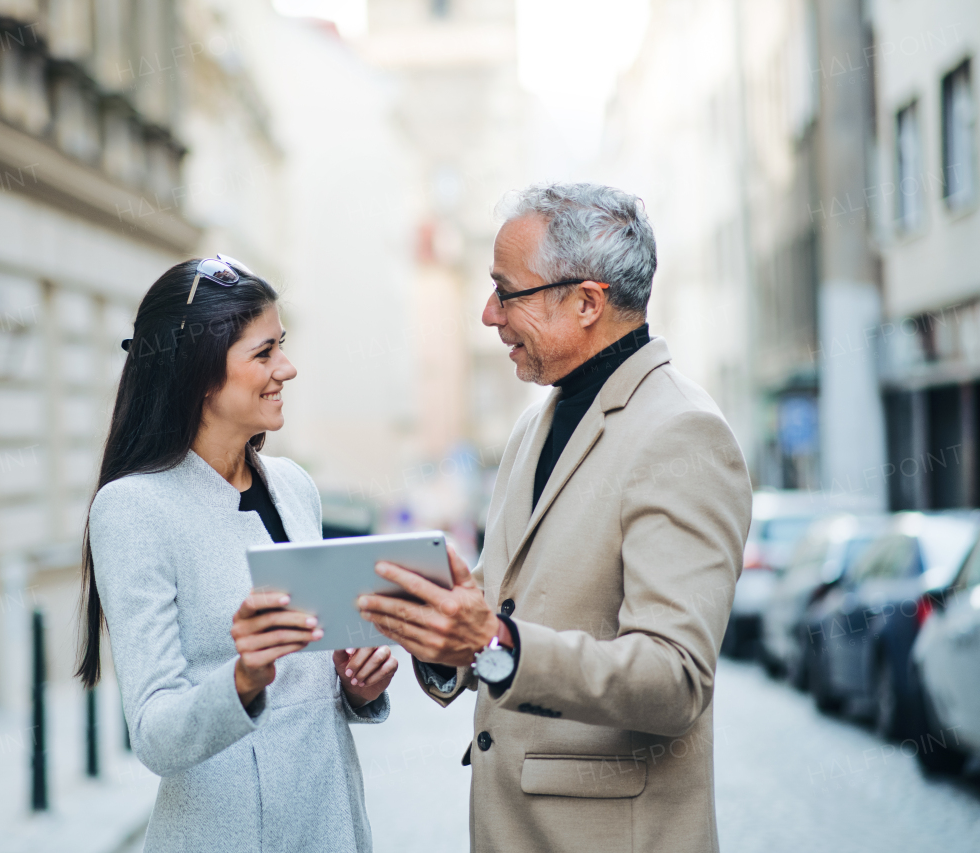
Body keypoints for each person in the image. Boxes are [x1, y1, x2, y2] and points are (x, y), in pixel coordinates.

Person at [358, 183, 753, 853]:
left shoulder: (682, 433)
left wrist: (499, 644)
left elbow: (674, 677)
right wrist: (435, 631)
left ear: (587, 302)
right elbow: (501, 604)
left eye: (506, 292)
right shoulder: (535, 423)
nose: (488, 314)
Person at [77, 256, 397, 853]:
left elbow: (312, 678)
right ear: (199, 373)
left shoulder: (294, 485)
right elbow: (154, 734)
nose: (288, 368)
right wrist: (245, 677)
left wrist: (356, 686)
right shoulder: (132, 509)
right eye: (264, 351)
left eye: (283, 345)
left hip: (332, 826)